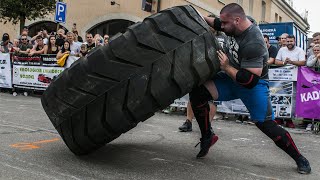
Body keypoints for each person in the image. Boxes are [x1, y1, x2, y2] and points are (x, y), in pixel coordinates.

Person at [192, 3, 310, 174]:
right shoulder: (233, 25)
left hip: (251, 85)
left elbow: (249, 81)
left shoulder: (254, 42)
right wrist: (195, 16)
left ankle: (300, 158)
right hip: (231, 78)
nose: (222, 26)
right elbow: (217, 23)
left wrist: (226, 66)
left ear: (237, 21)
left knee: (266, 125)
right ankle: (207, 136)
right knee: (198, 93)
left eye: (225, 23)